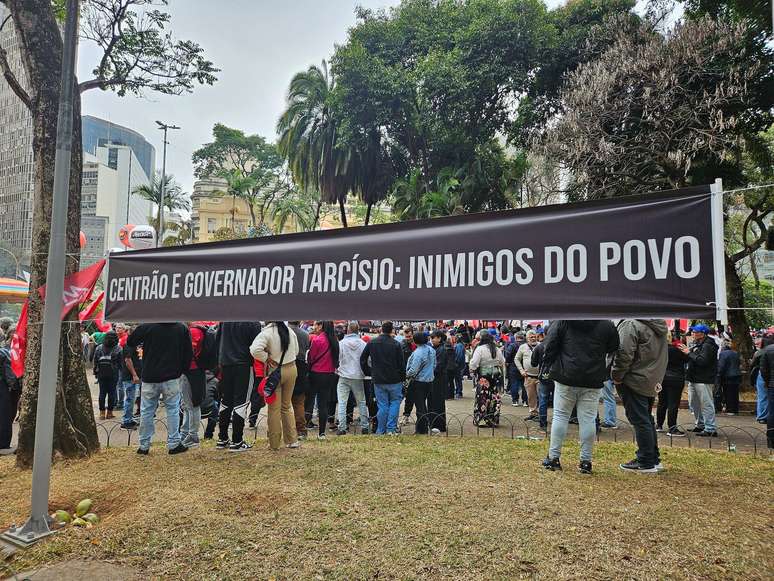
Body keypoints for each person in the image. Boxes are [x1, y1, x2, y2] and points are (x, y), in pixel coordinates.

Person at [540, 320, 619, 474]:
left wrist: (547, 365)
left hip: (565, 375)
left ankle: (554, 457)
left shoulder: (563, 321)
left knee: (560, 416)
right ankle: (585, 461)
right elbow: (613, 346)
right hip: (593, 377)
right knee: (588, 419)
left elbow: (549, 345)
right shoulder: (606, 324)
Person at [611, 319, 669, 473]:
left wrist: (617, 375)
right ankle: (653, 459)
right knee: (646, 419)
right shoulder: (658, 324)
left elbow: (624, 353)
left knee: (641, 420)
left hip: (634, 379)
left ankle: (645, 461)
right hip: (651, 378)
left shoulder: (631, 324)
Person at [127, 322, 193, 455]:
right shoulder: (181, 328)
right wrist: (182, 370)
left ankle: (144, 445)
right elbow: (188, 352)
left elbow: (131, 341)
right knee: (173, 409)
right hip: (172, 376)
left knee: (146, 411)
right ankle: (174, 443)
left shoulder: (148, 325)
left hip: (150, 376)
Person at [250, 321, 300, 450]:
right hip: (292, 368)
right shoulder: (289, 331)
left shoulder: (266, 333)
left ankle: (274, 443)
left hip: (275, 372)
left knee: (274, 409)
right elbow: (297, 350)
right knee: (287, 406)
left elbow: (254, 349)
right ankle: (292, 440)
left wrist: (266, 357)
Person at [215, 321, 262, 451]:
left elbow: (217, 340)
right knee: (241, 403)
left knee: (226, 401)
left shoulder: (225, 319)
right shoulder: (253, 322)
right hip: (244, 365)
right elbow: (256, 347)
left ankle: (222, 438)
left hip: (225, 363)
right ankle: (237, 441)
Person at [360, 321, 405, 435]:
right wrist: (402, 377)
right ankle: (391, 429)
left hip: (378, 379)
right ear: (392, 330)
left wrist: (369, 371)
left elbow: (363, 359)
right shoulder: (396, 344)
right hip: (394, 379)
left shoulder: (372, 342)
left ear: (381, 329)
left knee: (382, 405)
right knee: (395, 403)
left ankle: (381, 429)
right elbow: (401, 363)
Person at [679, 324, 719, 437]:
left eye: (695, 332)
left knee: (706, 404)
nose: (693, 334)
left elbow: (703, 361)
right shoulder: (698, 344)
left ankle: (710, 428)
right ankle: (700, 424)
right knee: (693, 403)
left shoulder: (708, 345)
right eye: (693, 332)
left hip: (703, 379)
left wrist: (689, 353)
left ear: (702, 334)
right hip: (694, 378)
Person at [306, 321, 339, 440]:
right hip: (329, 374)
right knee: (323, 404)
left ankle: (304, 430)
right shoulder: (335, 341)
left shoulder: (317, 340)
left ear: (322, 326)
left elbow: (312, 357)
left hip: (315, 373)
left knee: (309, 401)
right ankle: (321, 433)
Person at [336, 322, 369, 435]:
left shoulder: (341, 343)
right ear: (358, 330)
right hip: (358, 376)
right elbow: (367, 360)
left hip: (344, 375)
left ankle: (342, 427)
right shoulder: (363, 344)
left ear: (348, 330)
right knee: (361, 402)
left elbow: (338, 358)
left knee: (342, 402)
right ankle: (365, 426)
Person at [469, 332, 506, 428]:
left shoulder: (480, 349)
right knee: (494, 397)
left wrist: (472, 368)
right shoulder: (497, 349)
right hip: (496, 375)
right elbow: (502, 361)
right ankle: (493, 419)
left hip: (484, 376)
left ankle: (481, 419)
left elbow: (474, 363)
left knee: (483, 396)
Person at [656, 331, 689, 436]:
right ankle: (672, 428)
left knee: (662, 402)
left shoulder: (659, 350)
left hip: (662, 378)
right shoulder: (677, 350)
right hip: (675, 378)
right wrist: (686, 351)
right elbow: (687, 359)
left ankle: (659, 425)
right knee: (673, 404)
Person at [180, 323, 207, 449]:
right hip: (192, 371)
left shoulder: (194, 331)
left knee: (192, 405)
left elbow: (191, 350)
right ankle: (186, 433)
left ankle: (193, 436)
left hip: (192, 371)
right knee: (187, 405)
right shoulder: (196, 330)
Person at [405, 332, 436, 435]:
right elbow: (434, 365)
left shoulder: (418, 353)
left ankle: (421, 429)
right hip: (429, 380)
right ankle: (424, 426)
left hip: (419, 381)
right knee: (423, 404)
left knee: (420, 406)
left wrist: (407, 375)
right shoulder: (431, 350)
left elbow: (413, 370)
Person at [93, 330, 121, 420]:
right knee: (112, 393)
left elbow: (95, 360)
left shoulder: (99, 347)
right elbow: (120, 362)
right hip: (113, 373)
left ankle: (101, 413)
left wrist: (95, 371)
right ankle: (109, 413)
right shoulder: (118, 348)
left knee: (102, 393)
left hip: (101, 373)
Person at [0, 327, 20, 451]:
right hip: (4, 387)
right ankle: (3, 443)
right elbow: (9, 374)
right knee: (5, 414)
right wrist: (14, 388)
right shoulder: (5, 352)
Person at [289, 321, 310, 439]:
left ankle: (286, 428)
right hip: (301, 366)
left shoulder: (286, 331)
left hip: (287, 363)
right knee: (299, 401)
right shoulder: (305, 334)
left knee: (284, 402)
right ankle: (301, 429)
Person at [119, 328, 142, 430]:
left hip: (137, 375)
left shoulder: (136, 344)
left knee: (133, 398)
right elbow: (128, 360)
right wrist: (134, 374)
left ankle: (129, 418)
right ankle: (126, 421)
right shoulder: (128, 345)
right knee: (130, 398)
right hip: (130, 376)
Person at [515, 331, 540, 420]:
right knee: (531, 396)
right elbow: (516, 359)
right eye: (531, 337)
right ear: (527, 338)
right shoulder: (523, 347)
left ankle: (542, 415)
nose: (533, 338)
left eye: (534, 337)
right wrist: (521, 371)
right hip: (528, 377)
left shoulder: (540, 346)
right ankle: (533, 413)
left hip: (540, 377)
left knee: (542, 397)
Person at [530, 336, 553, 432]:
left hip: (544, 375)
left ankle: (543, 424)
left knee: (543, 400)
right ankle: (557, 424)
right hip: (557, 375)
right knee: (558, 401)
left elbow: (533, 363)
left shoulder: (539, 347)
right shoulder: (559, 344)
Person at [428, 330, 449, 433]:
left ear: (439, 338)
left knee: (437, 402)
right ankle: (432, 423)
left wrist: (429, 369)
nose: (432, 340)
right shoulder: (435, 348)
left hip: (438, 379)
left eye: (433, 338)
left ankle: (438, 424)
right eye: (431, 338)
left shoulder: (442, 350)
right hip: (434, 378)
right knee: (432, 401)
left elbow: (439, 366)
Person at [752, 335, 773, 424]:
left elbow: (754, 365)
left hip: (762, 375)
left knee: (762, 396)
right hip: (770, 376)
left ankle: (761, 416)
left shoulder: (759, 353)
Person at [717, 342, 742, 415]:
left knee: (728, 393)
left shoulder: (723, 354)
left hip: (727, 376)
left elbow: (721, 366)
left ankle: (730, 410)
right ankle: (735, 409)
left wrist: (719, 374)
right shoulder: (736, 353)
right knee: (735, 393)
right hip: (736, 375)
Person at [399, 327, 417, 426]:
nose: (408, 338)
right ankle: (405, 415)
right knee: (402, 396)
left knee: (411, 397)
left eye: (409, 336)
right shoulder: (402, 345)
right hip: (405, 374)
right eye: (406, 337)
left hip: (415, 375)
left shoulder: (417, 344)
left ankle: (406, 415)